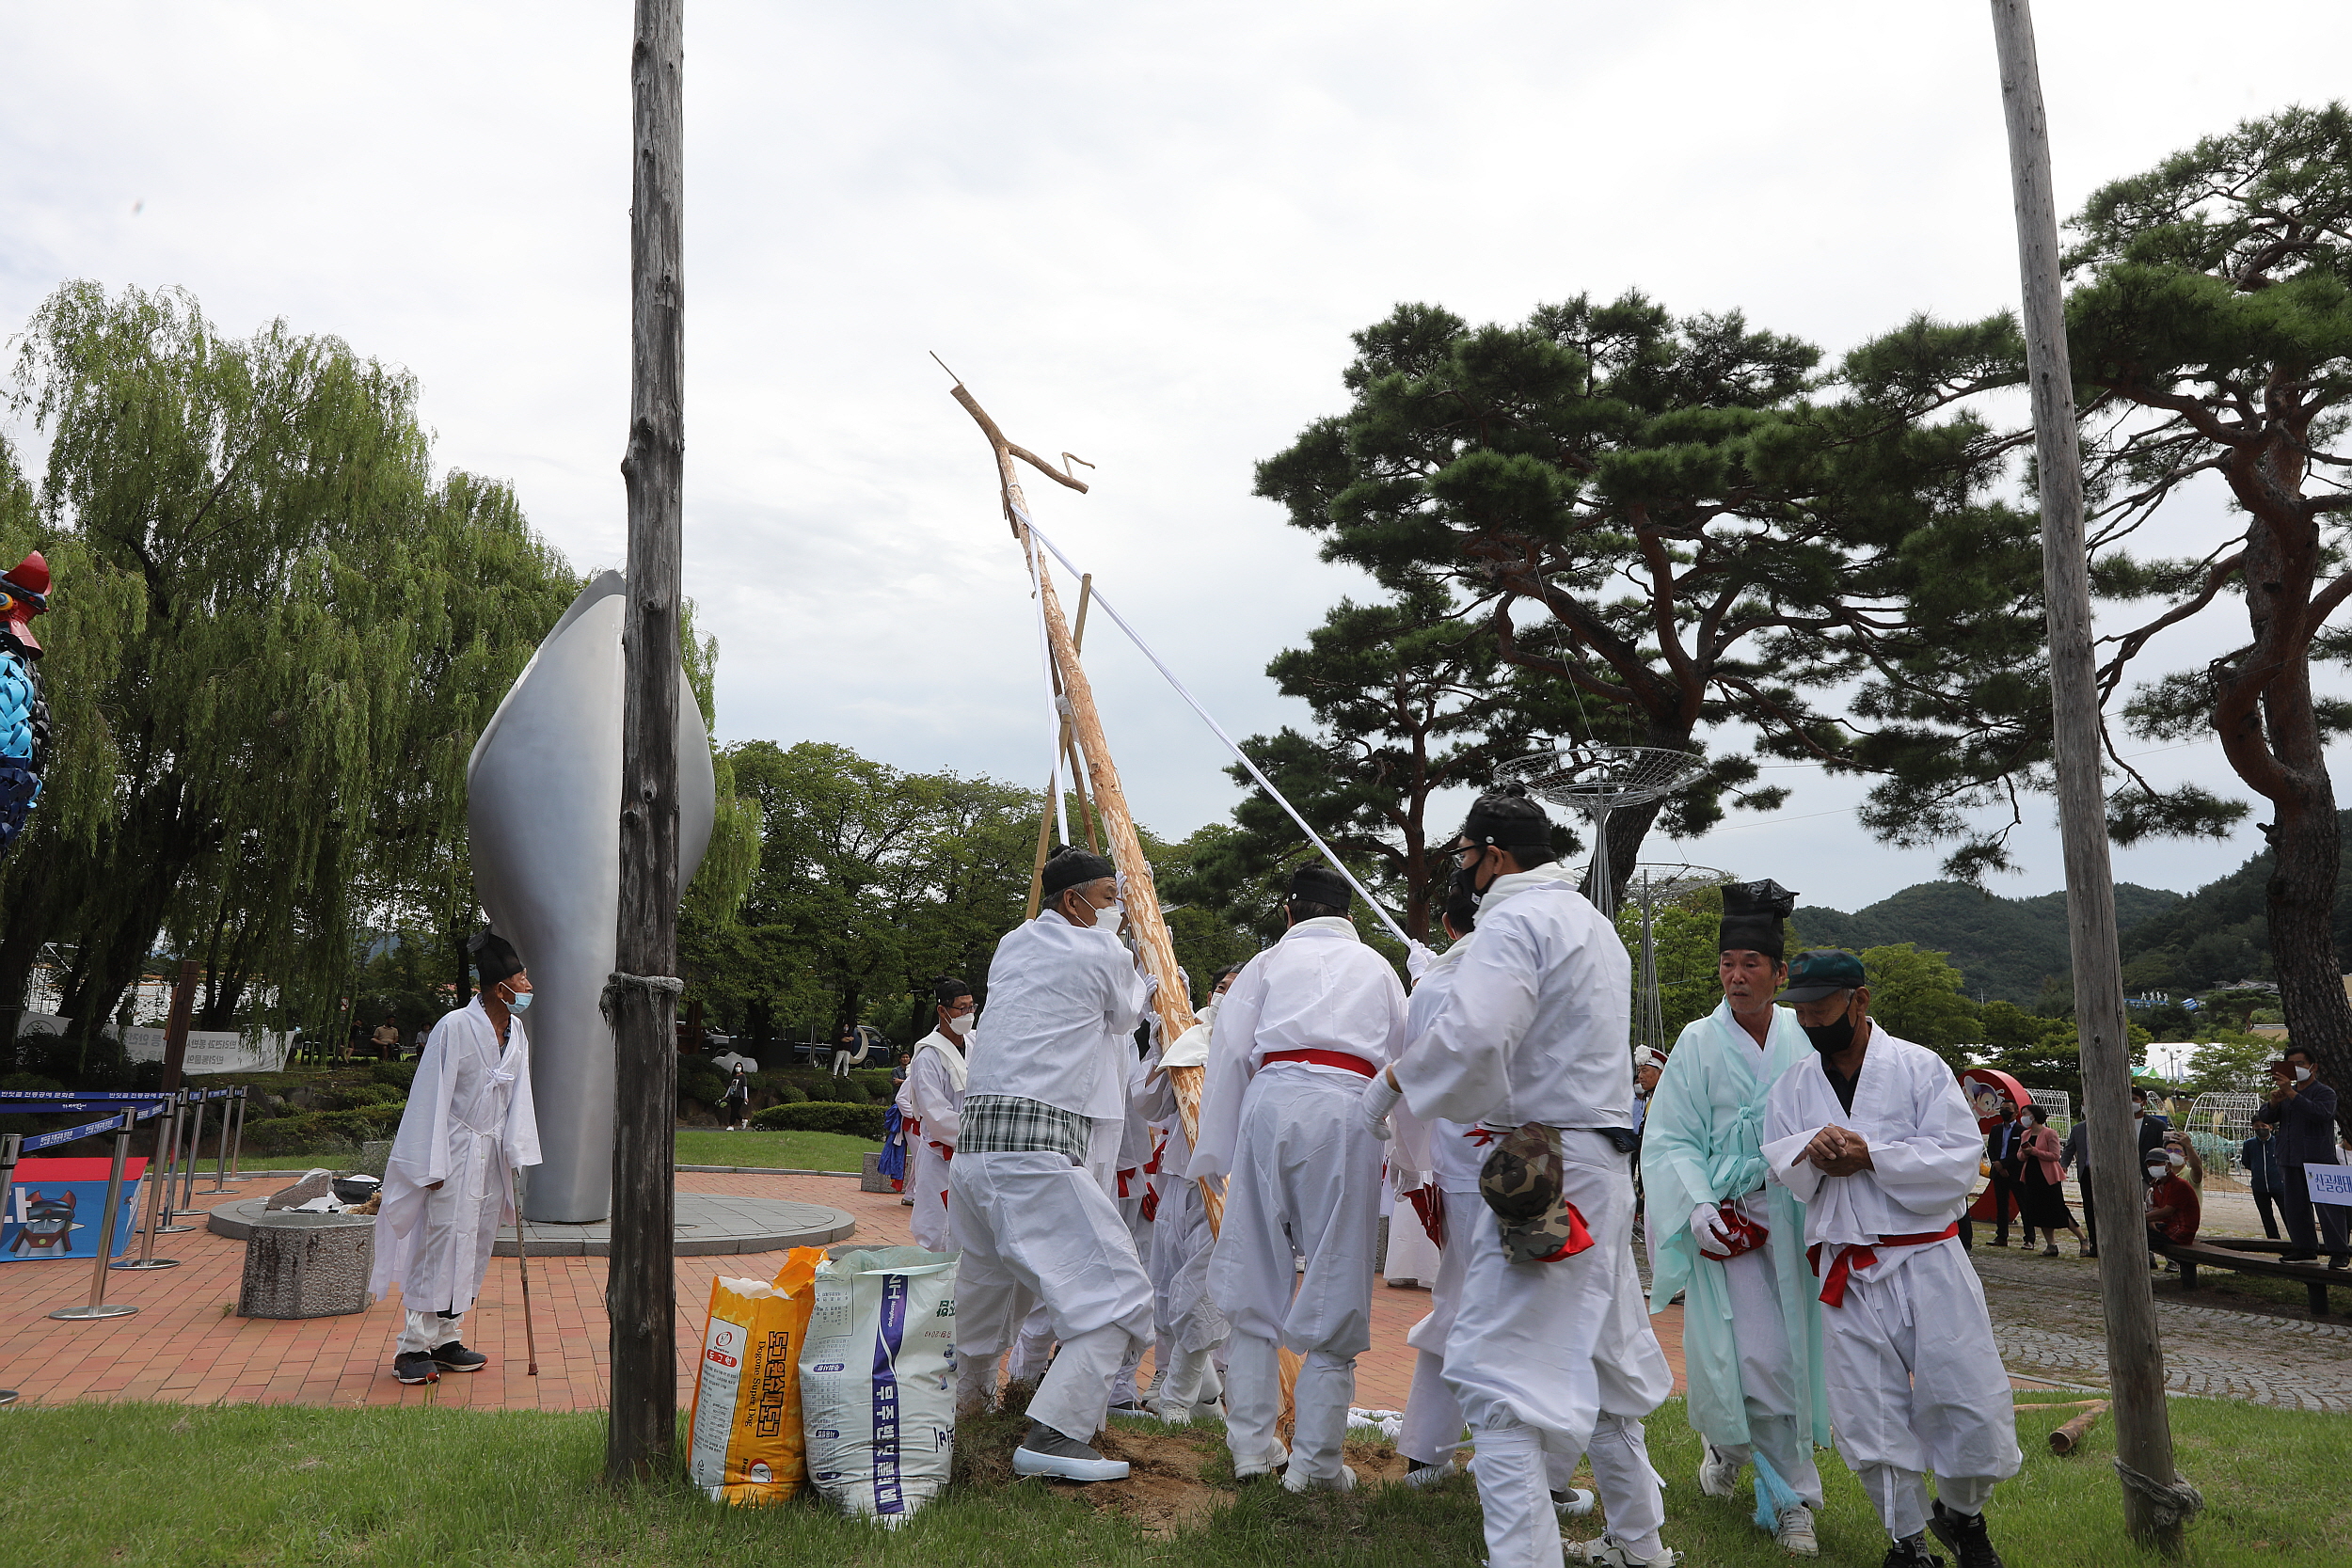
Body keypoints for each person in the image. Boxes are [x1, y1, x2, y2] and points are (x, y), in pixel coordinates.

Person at [1363, 788, 1677, 1568]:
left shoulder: (1514, 919)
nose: (1464, 872)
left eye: (1466, 856)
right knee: (1605, 1355)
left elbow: (1474, 1038)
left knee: (1492, 1370)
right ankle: (1642, 1547)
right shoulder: (1595, 927)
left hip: (1547, 1164)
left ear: (1493, 854)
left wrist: (1394, 1081)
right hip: (1599, 1163)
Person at [1763, 949, 2019, 1568]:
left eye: (1821, 1007)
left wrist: (1872, 1154)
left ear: (1859, 1000)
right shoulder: (1795, 1083)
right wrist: (1812, 1149)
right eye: (1801, 1009)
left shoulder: (1918, 1067)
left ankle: (1962, 1515)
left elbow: (1962, 1160)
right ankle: (1907, 1540)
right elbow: (1778, 1152)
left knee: (1967, 1398)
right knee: (1867, 1410)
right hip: (1845, 1271)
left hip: (1927, 1258)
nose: (1810, 1020)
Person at [1196, 863, 1407, 1493]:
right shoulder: (1379, 968)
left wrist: (1219, 1148)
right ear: (1349, 915)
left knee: (1257, 1280)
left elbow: (1231, 1050)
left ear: (1290, 913)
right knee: (1337, 1276)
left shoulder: (1265, 964)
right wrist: (1414, 1163)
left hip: (1272, 1101)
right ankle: (1315, 1462)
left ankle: (1251, 1450)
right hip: (1351, 1107)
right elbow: (1408, 1058)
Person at [946, 846, 1154, 1482]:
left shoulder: (1012, 943)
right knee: (1118, 1296)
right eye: (1108, 897)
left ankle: (963, 1416)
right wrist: (1144, 960)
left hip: (976, 1155)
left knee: (985, 1306)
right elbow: (1126, 1014)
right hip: (1033, 1157)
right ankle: (1056, 1434)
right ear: (1073, 902)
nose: (1115, 910)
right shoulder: (1102, 952)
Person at [1641, 879, 1827, 1559]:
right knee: (1757, 1359)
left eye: (1752, 962)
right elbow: (1669, 1138)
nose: (1737, 975)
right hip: (1730, 1224)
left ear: (1779, 973)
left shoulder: (1802, 1038)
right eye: (1728, 962)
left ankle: (1724, 1447)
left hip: (1796, 1220)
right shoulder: (1696, 1040)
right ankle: (1792, 1501)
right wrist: (1693, 1204)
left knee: (1787, 1360)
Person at [370, 929, 542, 1386]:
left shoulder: (517, 1030)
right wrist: (429, 1165)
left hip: (490, 1157)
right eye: (521, 978)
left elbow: (519, 1094)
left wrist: (517, 1150)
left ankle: (448, 1337)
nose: (528, 986)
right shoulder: (454, 1027)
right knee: (439, 1242)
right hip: (451, 1151)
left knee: (476, 1242)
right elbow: (431, 1097)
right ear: (499, 987)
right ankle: (412, 1346)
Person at [1134, 962, 1240, 1424]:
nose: (1221, 995)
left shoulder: (1252, 1043)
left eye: (1233, 990)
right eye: (1219, 985)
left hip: (1222, 1182)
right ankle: (1190, 1391)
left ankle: (1177, 1395)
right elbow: (1151, 1105)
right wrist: (1162, 1046)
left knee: (1199, 1290)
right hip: (1177, 1175)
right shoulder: (1188, 1032)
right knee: (1164, 1284)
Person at [901, 977, 976, 1253]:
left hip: (972, 1156)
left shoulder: (976, 1042)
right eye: (961, 1008)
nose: (968, 1014)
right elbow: (936, 1115)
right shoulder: (928, 1055)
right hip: (941, 1158)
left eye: (971, 1007)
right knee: (936, 1230)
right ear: (942, 1011)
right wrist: (978, 1133)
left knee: (972, 1230)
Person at [2256, 1048, 2348, 1267]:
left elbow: (2321, 1114)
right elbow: (2266, 1117)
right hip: (2290, 1157)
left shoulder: (2325, 1092)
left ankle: (2339, 1252)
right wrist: (2274, 1103)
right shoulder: (2286, 1093)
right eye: (2291, 1065)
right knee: (2296, 1207)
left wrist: (2291, 1093)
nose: (2296, 1069)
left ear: (2313, 1067)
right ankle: (2304, 1248)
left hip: (2319, 1159)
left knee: (2329, 1209)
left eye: (2301, 1063)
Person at [2015, 1105, 2083, 1257]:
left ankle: (2083, 1239)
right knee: (2040, 1211)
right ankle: (2051, 1245)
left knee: (2058, 1209)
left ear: (2034, 1115)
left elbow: (2055, 1155)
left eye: (2025, 1114)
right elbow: (2019, 1155)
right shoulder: (2025, 1134)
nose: (2023, 1116)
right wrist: (2025, 1154)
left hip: (2049, 1178)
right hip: (2032, 1176)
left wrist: (2034, 1151)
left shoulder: (2049, 1133)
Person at [1981, 1101, 2025, 1248]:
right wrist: (1997, 1165)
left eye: (2008, 1109)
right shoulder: (1996, 1129)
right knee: (2001, 1205)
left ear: (2016, 1112)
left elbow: (2019, 1151)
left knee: (2023, 1204)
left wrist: (2005, 1164)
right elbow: (1991, 1148)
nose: (2004, 1112)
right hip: (1998, 1172)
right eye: (2003, 1109)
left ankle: (2029, 1238)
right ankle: (2001, 1236)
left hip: (2015, 1172)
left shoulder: (2021, 1131)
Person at [2144, 1148, 2201, 1254]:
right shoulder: (2157, 1185)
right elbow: (2157, 1209)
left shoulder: (2179, 1185)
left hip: (2180, 1232)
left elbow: (2167, 1211)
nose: (2153, 1167)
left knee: (2141, 1238)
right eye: (2150, 1165)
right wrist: (2151, 1221)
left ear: (2168, 1166)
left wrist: (2141, 1218)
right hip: (2166, 1227)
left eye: (2157, 1164)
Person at [2242, 1119, 2284, 1241]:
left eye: (2263, 1125)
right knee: (2266, 1217)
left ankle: (2295, 1242)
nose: (2260, 1128)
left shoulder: (2279, 1142)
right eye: (2257, 1126)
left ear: (2270, 1127)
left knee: (2288, 1215)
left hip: (2279, 1186)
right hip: (2259, 1186)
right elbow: (2246, 1161)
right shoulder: (2249, 1144)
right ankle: (2274, 1241)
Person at [721, 1065, 752, 1131]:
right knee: (733, 1111)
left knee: (734, 1110)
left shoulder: (743, 1076)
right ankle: (743, 1120)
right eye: (737, 1066)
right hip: (733, 1095)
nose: (738, 1068)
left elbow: (745, 1087)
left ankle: (731, 1125)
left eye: (739, 1066)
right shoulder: (734, 1077)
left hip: (739, 1096)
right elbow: (730, 1087)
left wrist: (746, 1097)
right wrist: (726, 1095)